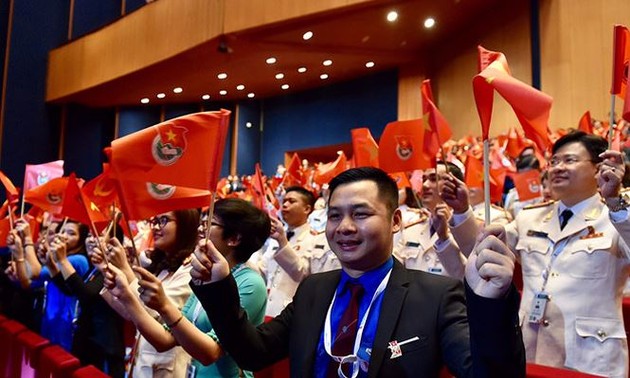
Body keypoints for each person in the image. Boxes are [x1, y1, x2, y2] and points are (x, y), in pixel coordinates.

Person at [190, 167, 524, 377]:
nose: (344, 227)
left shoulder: (435, 296)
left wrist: (491, 305)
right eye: (335, 216)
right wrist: (218, 288)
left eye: (361, 214)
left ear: (395, 221)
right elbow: (254, 353)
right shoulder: (314, 290)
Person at [444, 131, 630, 377]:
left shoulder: (616, 216)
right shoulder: (530, 217)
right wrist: (461, 211)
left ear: (599, 169)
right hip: (531, 347)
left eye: (570, 160)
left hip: (590, 355)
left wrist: (615, 201)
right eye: (554, 162)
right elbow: (482, 252)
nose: (558, 168)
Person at [103, 199, 270, 378]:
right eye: (201, 223)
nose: (200, 230)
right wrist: (126, 296)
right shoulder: (206, 276)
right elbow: (165, 339)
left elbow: (210, 352)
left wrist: (164, 305)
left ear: (234, 239)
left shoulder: (251, 283)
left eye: (209, 224)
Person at [102, 209, 199, 378]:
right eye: (154, 221)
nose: (155, 227)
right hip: (142, 362)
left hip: (167, 368)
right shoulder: (162, 267)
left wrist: (125, 268)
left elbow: (154, 313)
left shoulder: (191, 270)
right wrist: (108, 271)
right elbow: (132, 314)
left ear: (185, 225)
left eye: (164, 220)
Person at [51, 226, 127, 378]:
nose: (91, 240)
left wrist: (62, 260)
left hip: (104, 347)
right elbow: (73, 291)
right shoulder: (95, 268)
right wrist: (51, 265)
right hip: (87, 342)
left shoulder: (114, 271)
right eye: (90, 235)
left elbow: (87, 295)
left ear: (114, 243)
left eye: (99, 235)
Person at [8, 219, 90, 352]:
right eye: (62, 231)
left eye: (71, 233)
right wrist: (18, 256)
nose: (63, 236)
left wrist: (27, 239)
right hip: (49, 320)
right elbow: (27, 283)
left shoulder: (78, 260)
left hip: (66, 326)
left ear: (81, 240)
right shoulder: (58, 259)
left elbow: (36, 273)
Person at [248, 186, 319, 318]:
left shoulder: (315, 239)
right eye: (284, 201)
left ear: (307, 209)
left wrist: (283, 242)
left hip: (292, 313)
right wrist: (240, 254)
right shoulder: (277, 237)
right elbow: (261, 272)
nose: (285, 205)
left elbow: (302, 274)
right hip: (267, 310)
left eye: (291, 201)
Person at [393, 162, 466, 279]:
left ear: (454, 185)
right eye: (424, 179)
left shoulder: (468, 229)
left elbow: (467, 278)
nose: (425, 185)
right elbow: (393, 272)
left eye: (434, 179)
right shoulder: (412, 229)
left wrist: (444, 238)